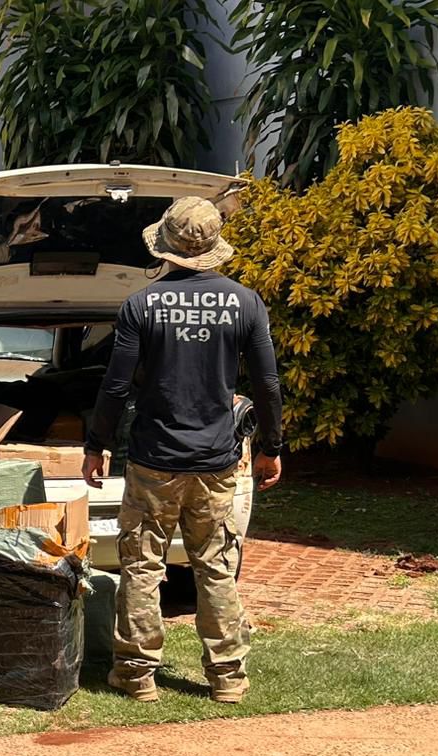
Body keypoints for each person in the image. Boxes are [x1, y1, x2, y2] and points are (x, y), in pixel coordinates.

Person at [82, 196, 283, 705]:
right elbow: (267, 383)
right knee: (215, 565)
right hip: (217, 459)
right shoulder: (245, 302)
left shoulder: (141, 305)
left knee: (143, 565)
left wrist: (96, 444)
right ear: (212, 247)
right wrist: (271, 447)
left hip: (154, 460)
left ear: (166, 246)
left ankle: (136, 674)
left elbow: (115, 385)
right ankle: (228, 678)